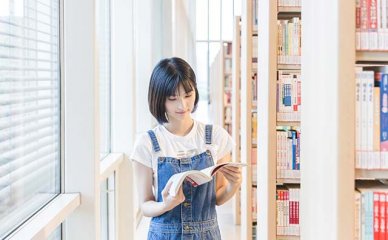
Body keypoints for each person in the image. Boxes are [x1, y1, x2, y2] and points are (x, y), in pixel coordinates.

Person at [131, 57, 242, 240]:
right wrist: (165, 205)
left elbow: (218, 198)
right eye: (173, 98)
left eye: (188, 95)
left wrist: (234, 184)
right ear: (159, 99)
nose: (182, 105)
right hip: (164, 235)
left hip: (207, 234)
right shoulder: (147, 143)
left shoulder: (215, 136)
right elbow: (145, 205)